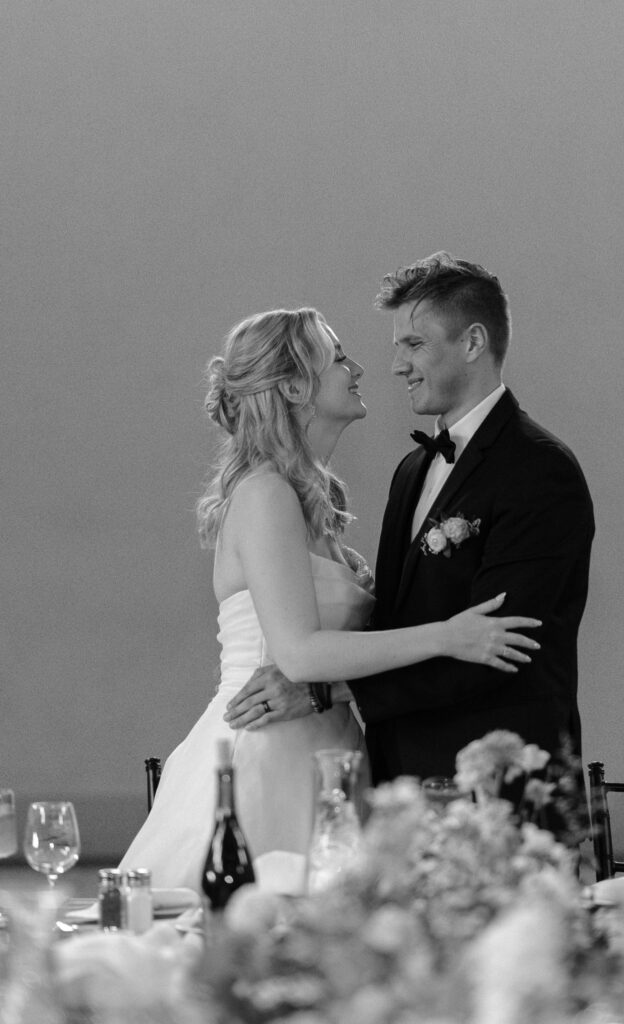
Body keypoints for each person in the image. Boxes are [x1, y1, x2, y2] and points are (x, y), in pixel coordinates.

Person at [119, 306, 541, 890]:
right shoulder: (264, 492)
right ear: (293, 385)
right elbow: (297, 655)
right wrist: (450, 635)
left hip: (329, 746)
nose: (359, 366)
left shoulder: (309, 500)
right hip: (269, 752)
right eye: (338, 356)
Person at [225, 254, 595, 786]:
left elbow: (495, 644)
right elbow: (400, 626)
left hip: (496, 788)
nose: (396, 365)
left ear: (472, 343)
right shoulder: (413, 469)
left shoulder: (539, 470)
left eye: (413, 345)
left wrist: (324, 691)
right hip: (396, 777)